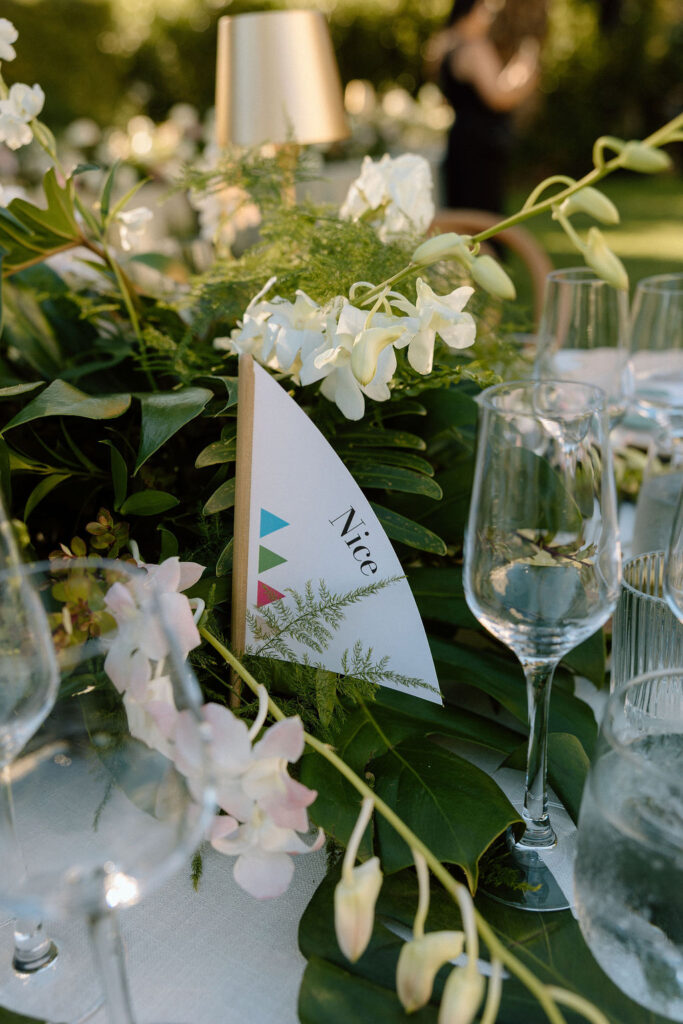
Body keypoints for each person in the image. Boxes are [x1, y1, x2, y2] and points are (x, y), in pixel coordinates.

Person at [425, 0, 546, 214]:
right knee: (485, 214)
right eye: (487, 10)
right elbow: (498, 97)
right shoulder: (476, 48)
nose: (490, 17)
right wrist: (526, 68)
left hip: (459, 139)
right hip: (482, 142)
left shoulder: (446, 44)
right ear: (471, 10)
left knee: (464, 215)